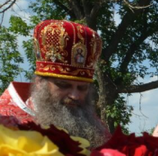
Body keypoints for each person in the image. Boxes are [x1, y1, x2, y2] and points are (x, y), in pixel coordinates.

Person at [0, 19, 109, 147]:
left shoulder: (97, 129)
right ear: (39, 82)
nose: (75, 95)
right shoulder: (7, 123)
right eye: (63, 85)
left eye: (82, 87)